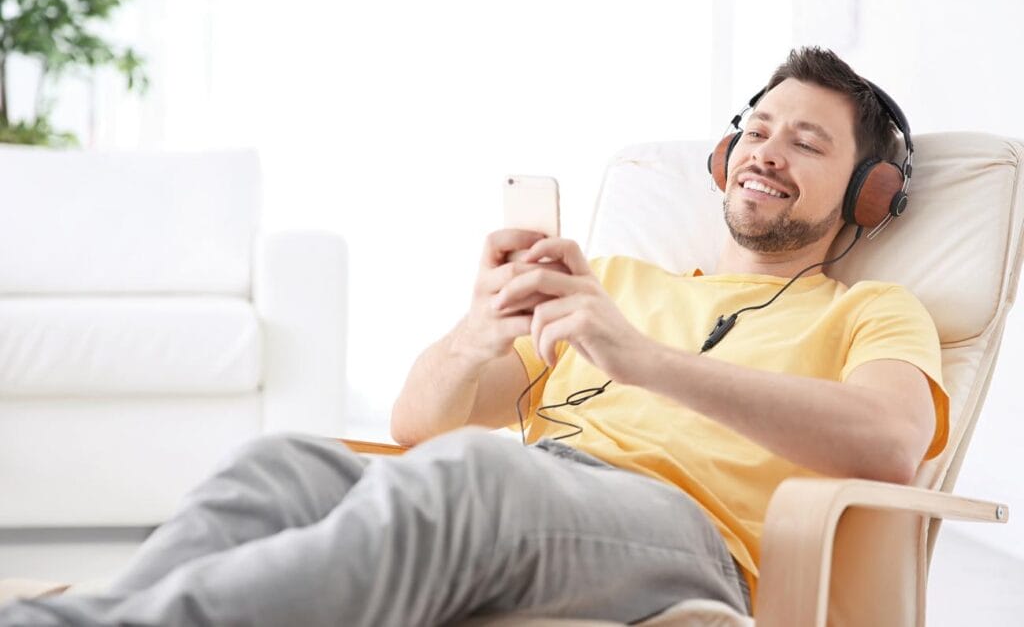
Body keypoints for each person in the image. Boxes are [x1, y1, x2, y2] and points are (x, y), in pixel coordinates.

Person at [0, 46, 947, 626]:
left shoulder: (867, 311)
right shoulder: (610, 284)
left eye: (808, 143)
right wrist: (480, 324)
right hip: (533, 494)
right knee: (280, 464)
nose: (767, 152)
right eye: (757, 129)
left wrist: (641, 362)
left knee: (476, 478)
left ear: (869, 195)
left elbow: (890, 444)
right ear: (724, 154)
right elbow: (422, 421)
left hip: (687, 540)